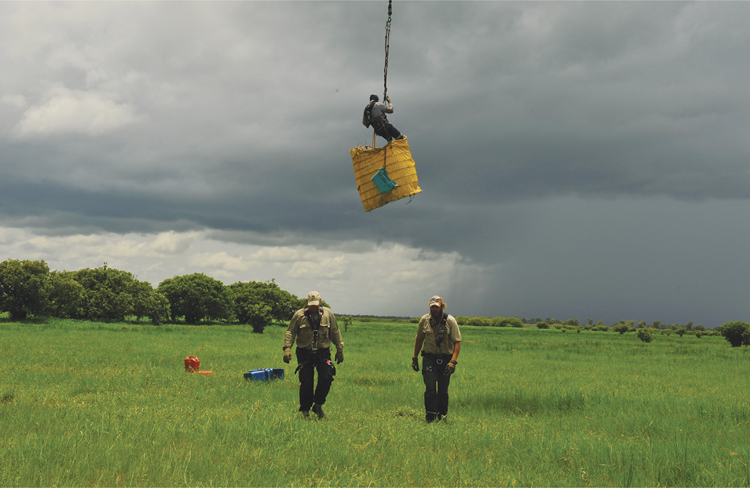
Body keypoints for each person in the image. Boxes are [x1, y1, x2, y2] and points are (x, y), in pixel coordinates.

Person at [283, 291, 344, 419]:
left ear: (320, 301)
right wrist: (287, 348)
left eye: (316, 305)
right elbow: (290, 332)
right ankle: (305, 411)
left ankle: (318, 405)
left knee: (326, 378)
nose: (313, 307)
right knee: (306, 381)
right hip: (305, 353)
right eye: (311, 305)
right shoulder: (299, 315)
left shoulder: (328, 314)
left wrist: (339, 349)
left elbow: (335, 332)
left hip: (323, 353)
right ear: (307, 302)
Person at [411, 295, 462, 423]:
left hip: (446, 359)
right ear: (430, 307)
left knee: (443, 390)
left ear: (441, 307)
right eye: (432, 307)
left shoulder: (450, 321)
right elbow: (419, 339)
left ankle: (442, 416)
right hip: (429, 358)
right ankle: (430, 417)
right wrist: (415, 358)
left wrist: (453, 361)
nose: (434, 309)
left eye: (437, 307)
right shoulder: (424, 320)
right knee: (430, 388)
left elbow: (457, 341)